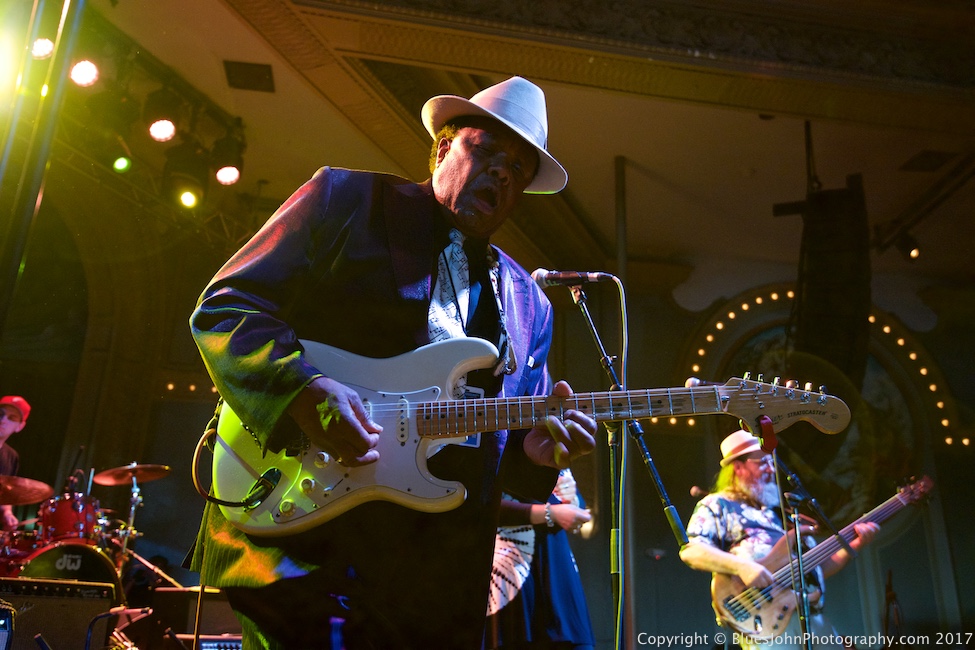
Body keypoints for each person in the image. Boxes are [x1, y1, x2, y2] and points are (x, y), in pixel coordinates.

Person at [189, 76, 597, 649]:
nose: (504, 173)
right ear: (441, 148)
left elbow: (500, 457)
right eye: (486, 151)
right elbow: (228, 308)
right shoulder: (346, 201)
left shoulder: (529, 304)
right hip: (307, 547)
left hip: (437, 587)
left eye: (520, 168)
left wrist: (535, 457)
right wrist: (301, 391)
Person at [679, 429, 879, 650]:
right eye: (762, 463)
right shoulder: (719, 504)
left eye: (772, 462)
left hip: (812, 617)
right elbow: (692, 551)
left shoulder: (781, 514)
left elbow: (814, 569)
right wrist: (743, 567)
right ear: (738, 467)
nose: (771, 469)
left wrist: (854, 545)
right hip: (766, 622)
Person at [485, 468, 595, 649]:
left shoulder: (552, 451)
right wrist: (549, 513)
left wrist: (572, 498)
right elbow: (485, 504)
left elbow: (578, 505)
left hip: (556, 564)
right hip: (514, 564)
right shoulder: (498, 446)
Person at [0, 395, 30, 531]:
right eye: (1, 414)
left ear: (20, 427)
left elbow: (4, 495)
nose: (3, 420)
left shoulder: (11, 457)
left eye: (11, 418)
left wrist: (7, 513)